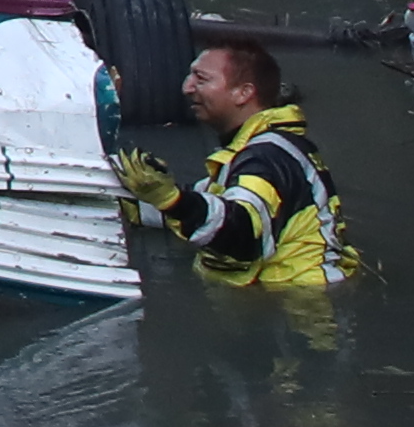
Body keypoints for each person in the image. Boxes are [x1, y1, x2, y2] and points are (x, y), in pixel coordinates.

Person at [121, 38, 357, 288]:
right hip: (293, 293)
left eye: (201, 79)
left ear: (243, 93)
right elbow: (213, 204)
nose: (187, 88)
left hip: (300, 302)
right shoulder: (260, 148)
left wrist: (172, 201)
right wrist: (139, 202)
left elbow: (243, 233)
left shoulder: (266, 157)